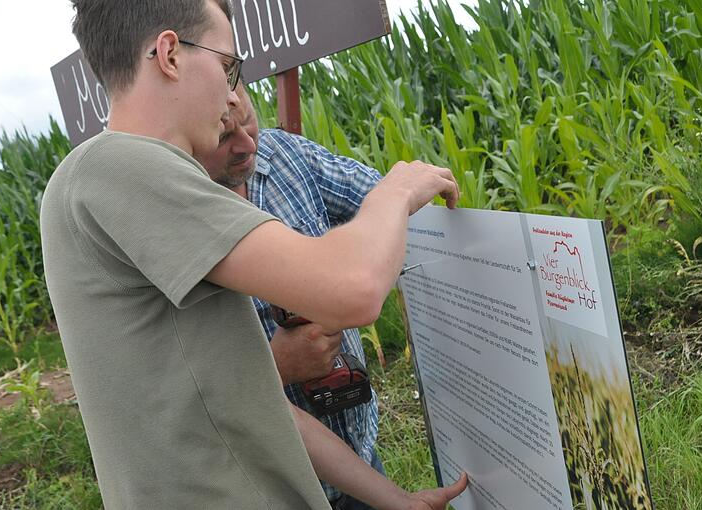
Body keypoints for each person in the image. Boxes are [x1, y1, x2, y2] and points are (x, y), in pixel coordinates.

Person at [40, 0, 466, 508]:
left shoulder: (111, 177)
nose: (230, 96)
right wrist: (394, 191)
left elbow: (245, 395)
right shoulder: (123, 167)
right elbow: (352, 288)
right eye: (227, 66)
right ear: (171, 54)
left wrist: (392, 499)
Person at [198, 84, 384, 509]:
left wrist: (343, 269)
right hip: (276, 489)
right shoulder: (179, 216)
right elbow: (193, 395)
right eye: (226, 138)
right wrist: (276, 366)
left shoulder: (286, 155)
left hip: (359, 448)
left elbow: (372, 195)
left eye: (249, 122)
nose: (248, 143)